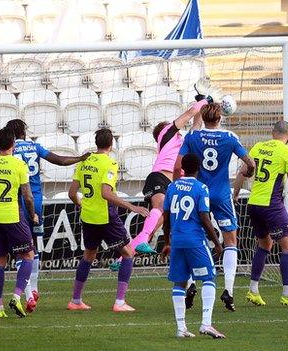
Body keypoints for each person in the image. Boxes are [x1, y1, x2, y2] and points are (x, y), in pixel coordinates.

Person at [109, 98, 209, 271]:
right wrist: (206, 100)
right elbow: (189, 114)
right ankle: (143, 239)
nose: (177, 128)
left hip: (171, 185)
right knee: (161, 206)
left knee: (153, 226)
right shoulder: (166, 134)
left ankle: (122, 258)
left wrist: (202, 105)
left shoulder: (183, 142)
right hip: (159, 177)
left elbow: (196, 124)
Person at [175, 103, 255, 311]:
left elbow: (178, 164)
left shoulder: (192, 137)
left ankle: (191, 284)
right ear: (220, 119)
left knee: (195, 238)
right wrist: (248, 173)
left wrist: (177, 185)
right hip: (221, 194)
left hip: (199, 192)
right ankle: (228, 290)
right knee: (230, 240)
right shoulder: (229, 138)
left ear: (203, 117)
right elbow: (250, 162)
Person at [5, 119, 90, 313]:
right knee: (33, 244)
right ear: (23, 132)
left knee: (20, 250)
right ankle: (34, 288)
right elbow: (59, 160)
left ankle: (27, 294)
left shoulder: (10, 151)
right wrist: (80, 158)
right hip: (35, 201)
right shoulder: (35, 147)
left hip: (16, 204)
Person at [67, 128, 149, 312]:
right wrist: (132, 207)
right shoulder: (110, 163)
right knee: (128, 253)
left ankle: (75, 300)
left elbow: (72, 193)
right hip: (105, 217)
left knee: (88, 255)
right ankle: (120, 302)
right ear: (111, 145)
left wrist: (82, 204)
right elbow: (106, 193)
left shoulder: (84, 161)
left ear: (97, 143)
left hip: (88, 216)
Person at [233, 120, 288, 308]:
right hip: (271, 205)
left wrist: (235, 193)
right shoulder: (287, 151)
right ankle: (287, 294)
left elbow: (243, 172)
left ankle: (253, 289)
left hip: (253, 203)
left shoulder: (258, 147)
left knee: (265, 244)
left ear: (272, 132)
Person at [161, 153, 225, 338]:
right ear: (199, 168)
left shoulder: (172, 187)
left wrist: (167, 242)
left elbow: (166, 218)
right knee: (208, 278)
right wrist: (216, 243)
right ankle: (206, 324)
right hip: (195, 240)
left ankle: (181, 328)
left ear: (183, 169)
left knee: (179, 282)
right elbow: (204, 218)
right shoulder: (201, 187)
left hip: (177, 241)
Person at [0, 128, 38, 318]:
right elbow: (28, 196)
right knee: (28, 255)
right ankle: (16, 296)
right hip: (12, 216)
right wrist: (32, 215)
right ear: (13, 144)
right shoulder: (18, 164)